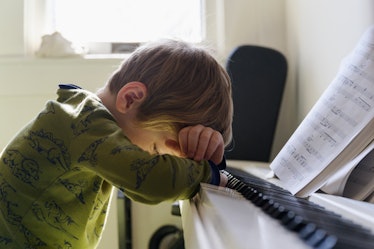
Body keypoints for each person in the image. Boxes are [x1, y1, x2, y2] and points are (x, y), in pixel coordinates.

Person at [0, 39, 233, 249]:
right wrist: (208, 173)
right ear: (130, 98)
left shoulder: (88, 121)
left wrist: (206, 156)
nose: (151, 158)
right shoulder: (84, 124)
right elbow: (151, 178)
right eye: (154, 150)